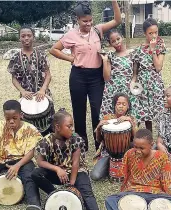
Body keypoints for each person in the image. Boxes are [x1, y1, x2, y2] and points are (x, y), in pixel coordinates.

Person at [49, 1, 122, 151]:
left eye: (90, 20)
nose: (88, 24)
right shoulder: (71, 35)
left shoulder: (97, 30)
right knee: (79, 112)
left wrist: (114, 2)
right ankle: (81, 146)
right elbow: (54, 50)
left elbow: (117, 20)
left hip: (96, 77)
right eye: (84, 21)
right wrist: (70, 59)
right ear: (78, 20)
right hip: (79, 76)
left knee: (97, 111)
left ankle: (99, 144)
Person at [0, 100, 42, 210]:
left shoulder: (30, 129)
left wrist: (17, 166)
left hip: (23, 161)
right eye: (8, 119)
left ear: (21, 115)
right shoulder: (0, 125)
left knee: (29, 176)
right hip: (2, 160)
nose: (11, 121)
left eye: (14, 118)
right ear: (4, 117)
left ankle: (34, 204)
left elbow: (32, 152)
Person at [105, 129, 171, 210]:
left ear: (151, 145)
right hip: (133, 192)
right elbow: (124, 174)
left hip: (156, 193)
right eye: (135, 147)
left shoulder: (161, 156)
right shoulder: (129, 154)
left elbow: (169, 176)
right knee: (110, 200)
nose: (138, 151)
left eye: (141, 148)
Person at [31, 109, 99, 210]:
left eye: (72, 126)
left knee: (87, 194)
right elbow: (40, 162)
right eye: (69, 126)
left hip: (76, 172)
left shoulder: (75, 138)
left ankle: (74, 196)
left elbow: (76, 163)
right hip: (58, 173)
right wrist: (57, 169)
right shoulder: (46, 141)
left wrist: (71, 185)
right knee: (36, 173)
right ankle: (56, 194)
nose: (72, 129)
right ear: (57, 127)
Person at [8, 26, 54, 135]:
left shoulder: (41, 55)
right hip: (26, 97)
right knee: (28, 131)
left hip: (43, 95)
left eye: (29, 35)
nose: (26, 38)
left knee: (48, 127)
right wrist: (22, 91)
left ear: (33, 37)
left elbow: (48, 75)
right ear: (19, 38)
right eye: (23, 36)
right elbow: (14, 79)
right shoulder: (15, 58)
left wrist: (43, 90)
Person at [91, 93, 137, 181]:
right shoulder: (107, 118)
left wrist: (131, 122)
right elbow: (98, 140)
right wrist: (99, 127)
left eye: (124, 104)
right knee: (95, 175)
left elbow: (136, 140)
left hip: (127, 152)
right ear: (114, 105)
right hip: (108, 152)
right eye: (118, 103)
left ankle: (122, 165)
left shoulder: (131, 118)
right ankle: (110, 164)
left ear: (128, 107)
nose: (121, 106)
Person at [131, 18, 166, 132]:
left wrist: (153, 50)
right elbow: (135, 66)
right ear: (145, 33)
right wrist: (134, 80)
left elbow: (158, 67)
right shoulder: (139, 49)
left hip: (155, 82)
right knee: (145, 110)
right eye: (150, 33)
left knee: (158, 110)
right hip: (142, 83)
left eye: (156, 32)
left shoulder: (160, 46)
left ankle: (162, 136)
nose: (154, 35)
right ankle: (148, 136)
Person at [100, 29, 137, 119]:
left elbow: (135, 73)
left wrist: (133, 82)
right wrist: (105, 61)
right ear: (110, 43)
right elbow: (106, 77)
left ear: (122, 37)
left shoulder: (133, 53)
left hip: (128, 87)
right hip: (113, 89)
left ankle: (130, 133)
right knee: (111, 115)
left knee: (130, 115)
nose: (117, 42)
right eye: (113, 41)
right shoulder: (110, 56)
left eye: (118, 39)